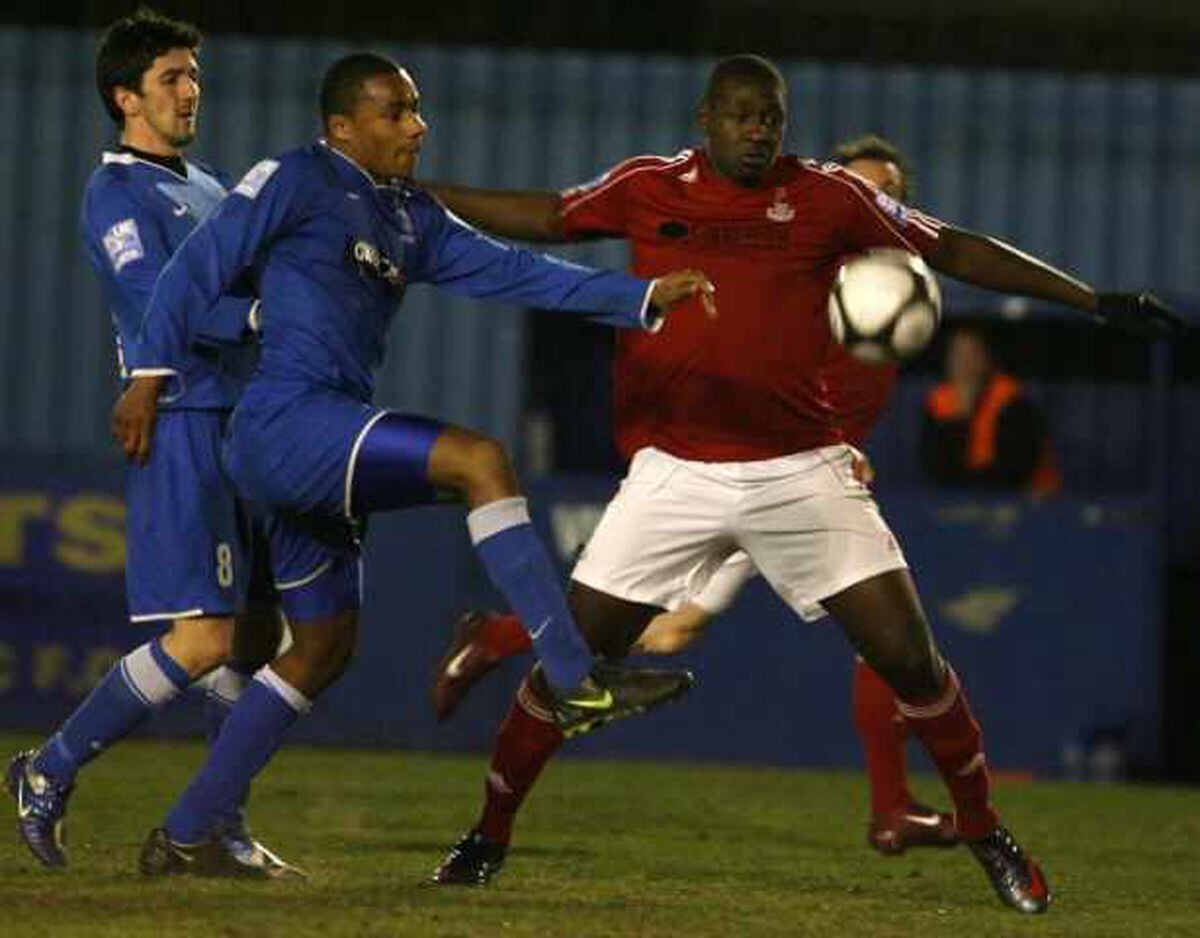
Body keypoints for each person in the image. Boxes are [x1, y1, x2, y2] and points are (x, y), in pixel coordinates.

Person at [419, 54, 1180, 913]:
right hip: (675, 473)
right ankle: (488, 835)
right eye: (740, 115)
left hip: (800, 468)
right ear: (705, 118)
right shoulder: (649, 184)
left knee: (911, 659)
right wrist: (422, 196)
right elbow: (550, 216)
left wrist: (1090, 300)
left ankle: (981, 826)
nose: (756, 130)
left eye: (770, 118)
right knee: (572, 666)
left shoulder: (829, 196)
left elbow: (955, 246)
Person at [109, 52, 715, 876]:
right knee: (479, 460)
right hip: (286, 421)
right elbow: (190, 276)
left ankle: (183, 836)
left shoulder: (408, 217)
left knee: (321, 649)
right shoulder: (295, 177)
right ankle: (571, 674)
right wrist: (148, 379)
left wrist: (639, 299)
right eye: (396, 112)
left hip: (324, 435)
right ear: (342, 127)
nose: (417, 126)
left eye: (417, 110)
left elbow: (515, 271)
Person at [430, 134, 958, 857]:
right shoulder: (794, 264)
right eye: (863, 189)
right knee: (667, 630)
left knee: (882, 642)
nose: (875, 205)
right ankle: (494, 642)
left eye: (889, 194)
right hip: (716, 469)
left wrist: (839, 450)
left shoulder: (892, 293)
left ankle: (892, 806)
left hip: (796, 482)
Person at [4, 9, 292, 876]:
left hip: (247, 422)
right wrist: (270, 313)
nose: (190, 88)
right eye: (171, 76)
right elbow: (164, 308)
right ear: (125, 97)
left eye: (194, 73)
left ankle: (214, 824)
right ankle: (47, 768)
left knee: (257, 637)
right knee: (203, 638)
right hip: (187, 423)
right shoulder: (118, 195)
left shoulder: (208, 184)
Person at [921, 324, 1061, 494]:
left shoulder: (1012, 401)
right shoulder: (938, 402)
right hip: (959, 502)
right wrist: (962, 415)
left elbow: (1014, 471)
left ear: (988, 360)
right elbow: (936, 470)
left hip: (1022, 503)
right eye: (957, 355)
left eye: (973, 355)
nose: (964, 365)